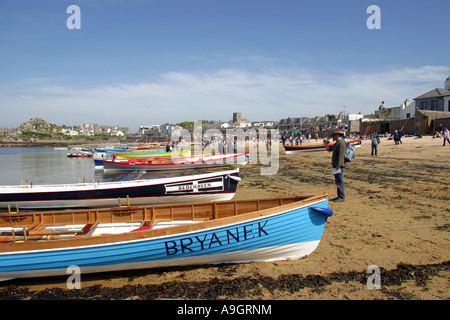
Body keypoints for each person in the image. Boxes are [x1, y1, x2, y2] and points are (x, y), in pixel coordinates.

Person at [324, 129, 346, 202]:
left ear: (337, 135)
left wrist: (338, 165)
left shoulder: (341, 143)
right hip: (336, 165)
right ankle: (339, 196)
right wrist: (326, 144)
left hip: (339, 165)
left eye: (333, 135)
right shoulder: (337, 143)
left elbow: (341, 155)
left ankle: (342, 197)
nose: (333, 137)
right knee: (337, 181)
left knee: (339, 181)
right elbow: (329, 149)